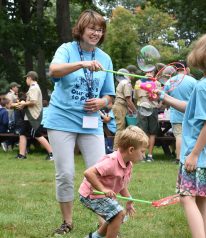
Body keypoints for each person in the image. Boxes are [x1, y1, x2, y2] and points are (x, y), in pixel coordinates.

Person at [158, 31, 206, 238]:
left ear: (202, 55)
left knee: (186, 197)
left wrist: (193, 154)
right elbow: (192, 109)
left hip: (197, 152)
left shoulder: (202, 87)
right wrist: (165, 97)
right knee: (200, 199)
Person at [46, 9, 115, 235]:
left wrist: (101, 102)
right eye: (92, 28)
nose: (96, 33)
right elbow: (54, 70)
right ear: (82, 29)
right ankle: (67, 222)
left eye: (100, 29)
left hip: (90, 122)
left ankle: (104, 222)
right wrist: (82, 65)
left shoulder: (105, 58)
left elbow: (110, 97)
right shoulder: (66, 50)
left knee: (100, 173)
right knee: (65, 173)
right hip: (61, 118)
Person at [79, 126, 148, 238]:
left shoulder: (128, 164)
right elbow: (88, 173)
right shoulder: (111, 162)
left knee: (117, 215)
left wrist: (129, 199)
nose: (143, 156)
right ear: (131, 150)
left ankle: (95, 236)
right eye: (142, 151)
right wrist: (103, 189)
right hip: (90, 195)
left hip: (103, 196)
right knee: (118, 214)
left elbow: (121, 184)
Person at [15, 71, 54, 160]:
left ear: (29, 78)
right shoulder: (34, 87)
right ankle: (22, 155)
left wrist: (23, 104)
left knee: (37, 134)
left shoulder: (34, 88)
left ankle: (52, 154)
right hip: (29, 116)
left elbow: (33, 101)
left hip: (33, 116)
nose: (26, 80)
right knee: (22, 133)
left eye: (26, 78)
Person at [166, 61, 197, 163]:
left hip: (175, 113)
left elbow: (163, 96)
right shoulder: (193, 81)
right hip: (190, 113)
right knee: (189, 136)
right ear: (186, 69)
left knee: (178, 136)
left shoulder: (170, 81)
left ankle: (178, 157)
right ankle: (187, 157)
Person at [134, 69, 161, 162]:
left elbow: (135, 96)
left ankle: (143, 155)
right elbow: (159, 97)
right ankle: (149, 155)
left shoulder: (138, 82)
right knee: (152, 133)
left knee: (142, 132)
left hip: (141, 107)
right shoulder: (157, 83)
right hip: (153, 108)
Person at [111, 68, 137, 149]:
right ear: (131, 73)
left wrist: (128, 108)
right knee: (120, 129)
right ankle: (115, 150)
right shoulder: (127, 83)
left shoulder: (122, 82)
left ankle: (120, 149)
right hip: (120, 106)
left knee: (122, 128)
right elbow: (128, 100)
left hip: (120, 105)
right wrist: (136, 111)